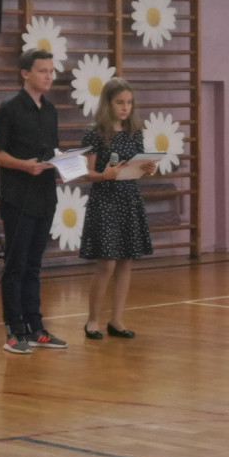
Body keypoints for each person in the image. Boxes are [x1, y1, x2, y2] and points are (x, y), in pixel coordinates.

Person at [0, 48, 68, 353]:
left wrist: (63, 164)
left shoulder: (50, 110)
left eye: (51, 71)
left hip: (45, 196)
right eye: (42, 71)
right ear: (25, 73)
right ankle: (14, 329)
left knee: (34, 264)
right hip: (18, 198)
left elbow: (51, 151)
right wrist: (24, 165)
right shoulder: (9, 109)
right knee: (16, 264)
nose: (49, 76)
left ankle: (36, 327)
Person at [79, 77, 157, 339]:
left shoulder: (135, 132)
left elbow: (137, 168)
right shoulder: (96, 132)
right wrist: (105, 175)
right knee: (107, 263)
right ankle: (92, 320)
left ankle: (117, 320)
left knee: (125, 261)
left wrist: (147, 169)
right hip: (105, 199)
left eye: (129, 103)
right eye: (120, 102)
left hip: (129, 198)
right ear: (108, 103)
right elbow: (87, 173)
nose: (125, 107)